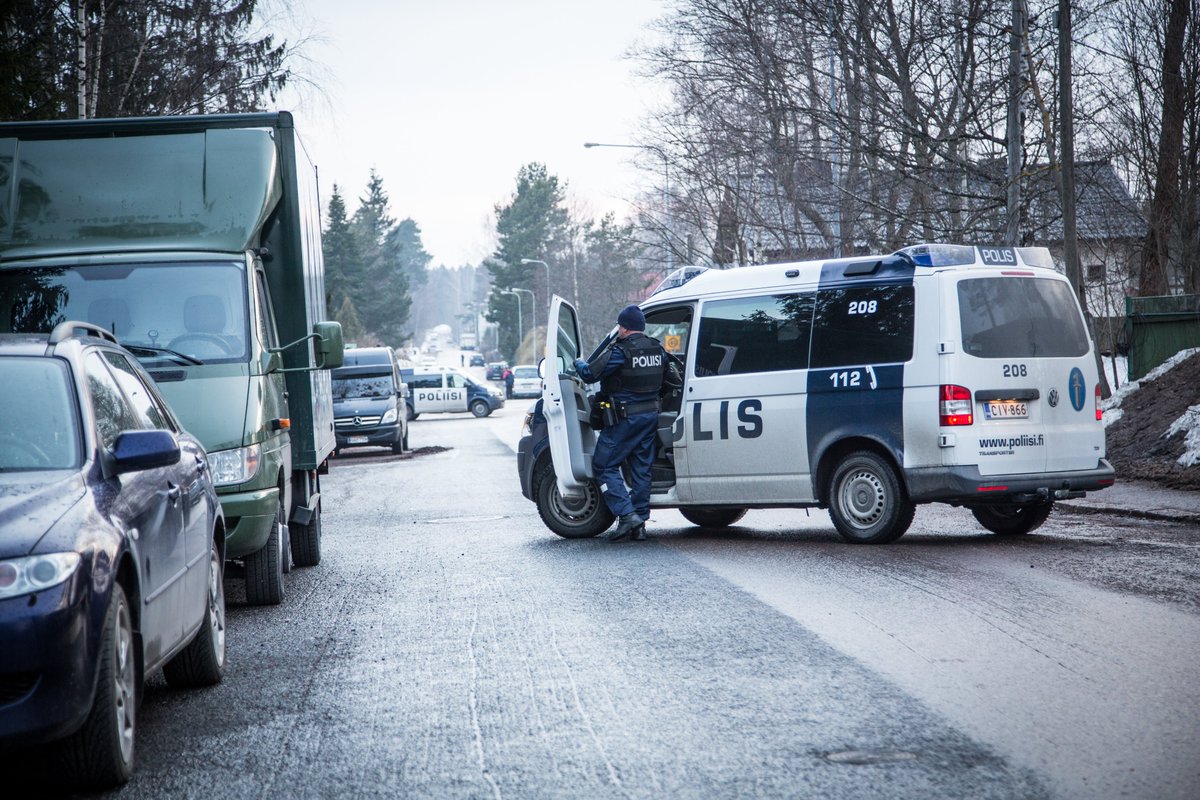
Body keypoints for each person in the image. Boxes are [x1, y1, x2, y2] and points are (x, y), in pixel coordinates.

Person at [574, 304, 666, 542]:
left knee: (604, 466)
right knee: (641, 469)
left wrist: (577, 363)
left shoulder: (620, 352)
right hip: (649, 418)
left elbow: (589, 375)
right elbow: (670, 379)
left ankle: (626, 515)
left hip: (624, 419)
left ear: (623, 328)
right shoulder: (658, 349)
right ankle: (640, 524)